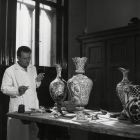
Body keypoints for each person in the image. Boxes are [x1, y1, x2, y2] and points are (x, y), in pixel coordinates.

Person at [1, 46, 44, 140]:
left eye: (29, 58)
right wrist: (17, 90)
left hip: (33, 109)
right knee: (18, 136)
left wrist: (38, 80)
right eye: (24, 58)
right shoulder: (10, 71)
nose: (27, 61)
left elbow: (35, 86)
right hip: (18, 109)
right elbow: (4, 88)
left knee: (33, 135)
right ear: (18, 57)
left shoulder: (33, 68)